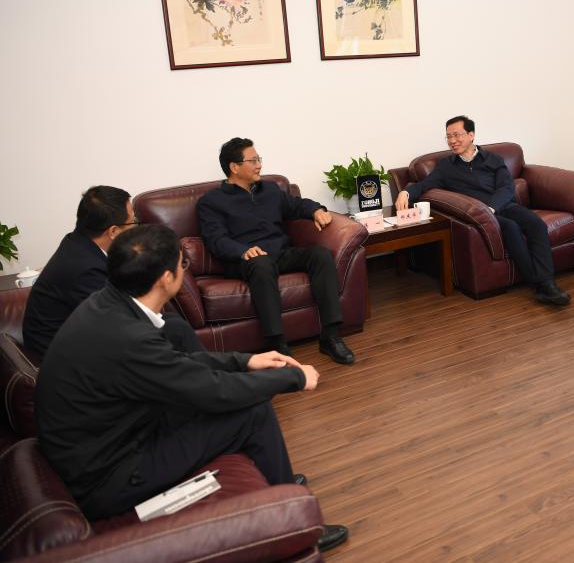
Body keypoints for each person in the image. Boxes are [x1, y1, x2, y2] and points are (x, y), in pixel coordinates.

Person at [34, 224, 348, 550]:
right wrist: (294, 378)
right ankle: (295, 525)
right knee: (253, 412)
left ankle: (276, 477)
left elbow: (180, 364)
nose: (185, 270)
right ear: (165, 279)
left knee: (186, 344)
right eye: (183, 263)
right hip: (111, 477)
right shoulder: (129, 338)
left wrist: (247, 361)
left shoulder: (109, 304)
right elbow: (213, 390)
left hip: (113, 439)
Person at [197, 138, 354, 364]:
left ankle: (330, 336)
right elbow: (215, 240)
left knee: (320, 255)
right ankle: (277, 345)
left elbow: (296, 205)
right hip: (246, 259)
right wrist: (243, 251)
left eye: (259, 159)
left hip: (280, 253)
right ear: (234, 167)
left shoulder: (269, 189)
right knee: (261, 264)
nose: (259, 165)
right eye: (253, 161)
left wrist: (316, 210)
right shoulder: (211, 201)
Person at [395, 115, 570, 306]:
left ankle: (545, 284)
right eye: (448, 136)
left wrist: (492, 207)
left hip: (503, 206)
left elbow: (507, 187)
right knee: (511, 228)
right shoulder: (446, 166)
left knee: (536, 224)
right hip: (480, 214)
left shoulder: (493, 159)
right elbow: (425, 184)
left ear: (471, 135)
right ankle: (544, 285)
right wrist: (406, 192)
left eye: (457, 135)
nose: (452, 141)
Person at [22, 185, 202, 357]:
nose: (136, 227)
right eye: (133, 221)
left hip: (86, 335)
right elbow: (116, 323)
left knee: (172, 324)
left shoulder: (78, 242)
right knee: (176, 330)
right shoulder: (85, 270)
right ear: (114, 231)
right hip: (69, 354)